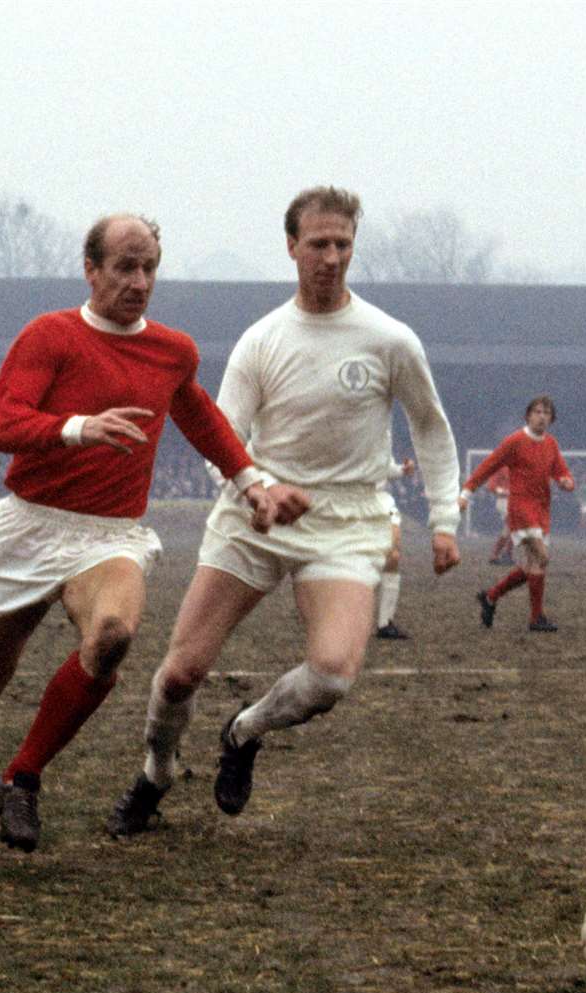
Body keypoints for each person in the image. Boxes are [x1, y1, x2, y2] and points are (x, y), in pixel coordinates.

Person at [0, 213, 306, 853]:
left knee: (114, 635)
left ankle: (22, 777)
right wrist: (77, 427)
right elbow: (2, 424)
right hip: (29, 527)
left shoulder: (173, 350)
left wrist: (252, 482)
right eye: (124, 266)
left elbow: (200, 418)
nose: (139, 280)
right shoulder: (50, 335)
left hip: (109, 537)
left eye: (149, 266)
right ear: (91, 270)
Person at [105, 185, 462, 837]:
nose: (331, 257)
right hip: (256, 516)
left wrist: (444, 521)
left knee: (332, 676)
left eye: (343, 244)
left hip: (346, 523)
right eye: (318, 244)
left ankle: (244, 731)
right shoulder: (263, 340)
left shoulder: (389, 339)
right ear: (292, 247)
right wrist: (256, 489)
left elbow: (431, 429)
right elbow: (222, 436)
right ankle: (155, 773)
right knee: (182, 670)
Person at [460, 396, 575, 632]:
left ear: (551, 419)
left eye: (546, 413)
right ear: (528, 415)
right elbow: (488, 465)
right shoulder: (515, 441)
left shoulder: (551, 444)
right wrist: (466, 492)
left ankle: (491, 597)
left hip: (542, 509)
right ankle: (536, 618)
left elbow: (563, 473)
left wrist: (567, 482)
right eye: (537, 411)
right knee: (542, 557)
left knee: (533, 565)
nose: (541, 416)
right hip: (521, 508)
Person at [375, 455, 415, 640]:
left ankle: (385, 623)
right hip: (353, 501)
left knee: (394, 555)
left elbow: (387, 468)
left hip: (382, 501)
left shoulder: (382, 432)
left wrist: (401, 470)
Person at [487, 467, 513, 564]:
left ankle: (507, 554)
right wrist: (503, 491)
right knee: (511, 526)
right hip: (504, 501)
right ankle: (496, 554)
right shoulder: (501, 466)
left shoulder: (519, 465)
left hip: (515, 501)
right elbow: (491, 486)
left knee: (513, 528)